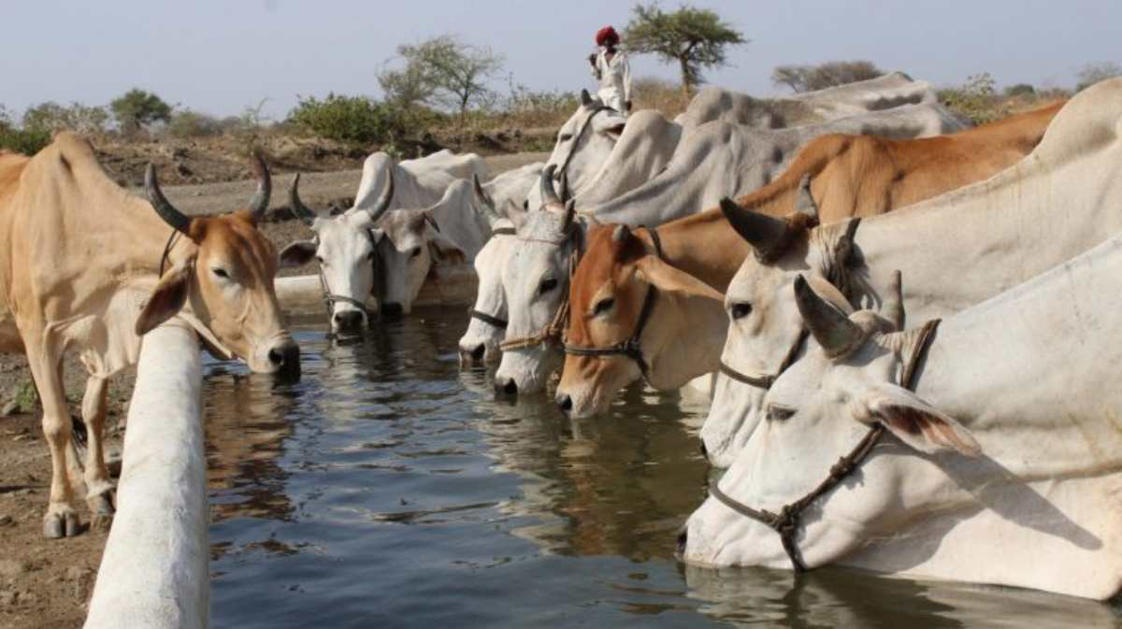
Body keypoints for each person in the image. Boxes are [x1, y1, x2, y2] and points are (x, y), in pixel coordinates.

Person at [588, 26, 632, 114]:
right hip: (603, 93)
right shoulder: (600, 57)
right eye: (606, 40)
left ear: (613, 41)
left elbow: (627, 78)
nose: (608, 42)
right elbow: (598, 76)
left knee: (619, 118)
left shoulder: (621, 57)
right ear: (603, 43)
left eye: (610, 40)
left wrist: (628, 98)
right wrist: (593, 64)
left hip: (617, 93)